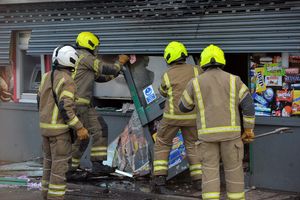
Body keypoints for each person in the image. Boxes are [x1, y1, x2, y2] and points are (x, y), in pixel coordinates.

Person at [179, 44, 255, 200]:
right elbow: (248, 105)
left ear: (203, 62)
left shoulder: (195, 83)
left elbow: (183, 107)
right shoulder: (235, 80)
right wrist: (248, 129)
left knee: (209, 173)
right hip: (231, 137)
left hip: (207, 139)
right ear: (221, 61)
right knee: (234, 172)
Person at [69, 31, 129, 177]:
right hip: (78, 105)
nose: (97, 50)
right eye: (96, 47)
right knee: (81, 137)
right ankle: (69, 169)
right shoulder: (84, 57)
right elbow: (103, 68)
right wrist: (119, 63)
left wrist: (116, 71)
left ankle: (96, 164)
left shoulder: (81, 59)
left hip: (84, 106)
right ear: (90, 44)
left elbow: (101, 77)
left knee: (100, 129)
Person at [37, 45, 89, 200]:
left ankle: (45, 196)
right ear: (71, 60)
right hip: (59, 133)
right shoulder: (67, 80)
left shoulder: (46, 76)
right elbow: (65, 108)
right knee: (59, 172)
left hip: (45, 131)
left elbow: (39, 100)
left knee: (48, 167)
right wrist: (79, 128)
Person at [152, 41, 203, 191]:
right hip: (192, 117)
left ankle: (160, 179)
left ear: (168, 57)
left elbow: (163, 92)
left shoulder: (167, 75)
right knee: (193, 146)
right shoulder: (197, 70)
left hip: (172, 117)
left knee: (162, 143)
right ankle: (198, 180)